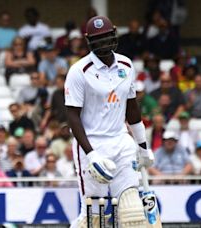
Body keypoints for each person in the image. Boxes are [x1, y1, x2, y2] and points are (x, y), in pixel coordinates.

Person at [64, 16, 153, 227]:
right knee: (95, 217)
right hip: (92, 144)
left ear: (114, 33)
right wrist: (91, 154)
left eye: (106, 37)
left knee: (132, 212)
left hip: (121, 141)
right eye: (98, 39)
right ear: (88, 40)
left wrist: (142, 147)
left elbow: (132, 109)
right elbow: (72, 117)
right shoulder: (79, 71)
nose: (103, 43)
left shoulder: (126, 64)